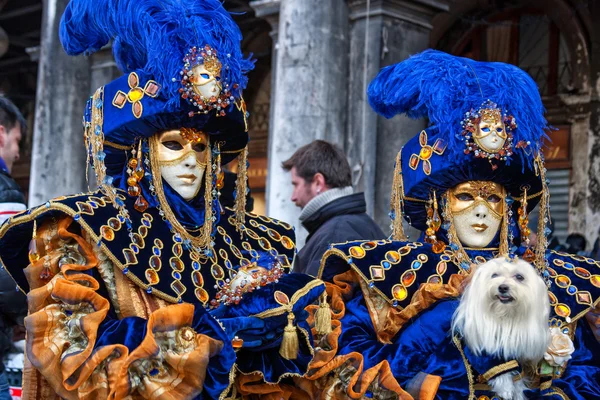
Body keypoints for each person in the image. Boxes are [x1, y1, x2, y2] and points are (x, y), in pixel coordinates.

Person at [0, 1, 325, 399]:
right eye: (173, 145)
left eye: (202, 147)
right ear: (140, 151)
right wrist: (210, 337)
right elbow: (76, 362)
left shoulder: (252, 239)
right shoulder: (78, 232)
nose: (191, 160)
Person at [297, 50, 600, 399]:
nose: (482, 212)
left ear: (511, 208)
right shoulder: (389, 273)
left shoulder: (553, 277)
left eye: (494, 199)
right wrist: (433, 333)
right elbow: (348, 370)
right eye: (467, 197)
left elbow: (586, 371)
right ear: (439, 205)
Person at [282, 140, 385, 276]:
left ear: (318, 182)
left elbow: (318, 297)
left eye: (296, 185)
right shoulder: (356, 223)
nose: (293, 197)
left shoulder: (334, 236)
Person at [0, 96, 28, 400]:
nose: (18, 152)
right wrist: (22, 319)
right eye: (18, 141)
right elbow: (7, 273)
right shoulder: (4, 187)